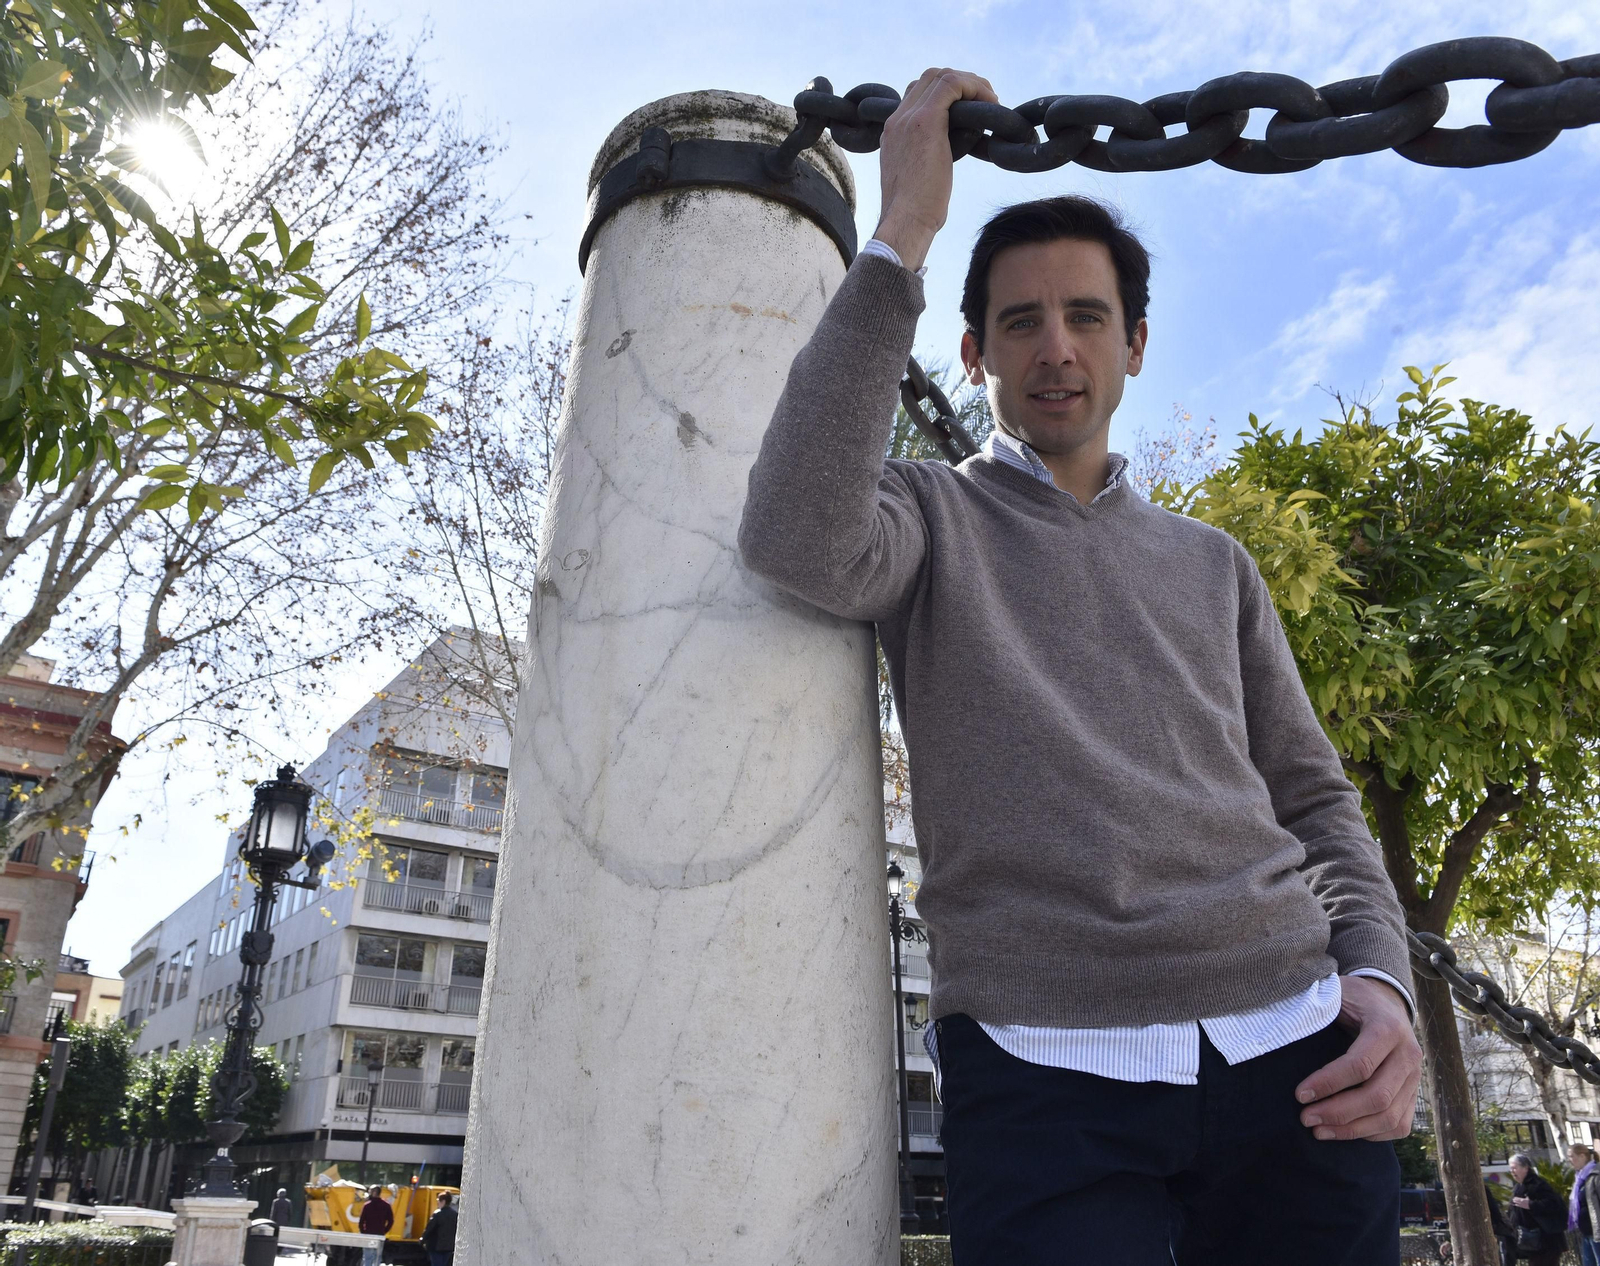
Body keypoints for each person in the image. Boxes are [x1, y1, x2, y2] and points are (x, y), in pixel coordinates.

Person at [738, 66, 1424, 1265]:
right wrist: (903, 230)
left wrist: (1380, 982)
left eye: (1086, 317)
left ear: (1136, 345)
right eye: (1019, 321)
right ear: (973, 353)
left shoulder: (1215, 565)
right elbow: (793, 533)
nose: (1055, 348)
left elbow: (1314, 801)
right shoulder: (923, 518)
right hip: (1041, 1065)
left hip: (1298, 1053)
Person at [1508, 1153, 1566, 1266]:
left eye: (1515, 1168)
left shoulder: (1538, 1184)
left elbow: (1555, 1205)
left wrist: (1531, 1204)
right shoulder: (1519, 1187)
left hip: (1547, 1242)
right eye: (1511, 1168)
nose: (1512, 1171)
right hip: (1533, 1244)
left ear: (1526, 1168)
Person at [1572, 1143, 1599, 1266]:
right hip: (1586, 1232)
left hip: (1597, 1232)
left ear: (1582, 1156)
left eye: (1572, 1156)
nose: (1569, 1160)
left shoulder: (1595, 1175)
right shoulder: (1580, 1178)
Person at [357, 1185, 393, 1266]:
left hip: (368, 1235)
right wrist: (384, 1231)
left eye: (370, 1191)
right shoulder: (386, 1205)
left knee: (367, 1257)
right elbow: (391, 1221)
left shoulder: (367, 1206)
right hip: (379, 1235)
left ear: (374, 1192)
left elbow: (361, 1222)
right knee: (377, 1257)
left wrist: (363, 1232)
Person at [419, 1191, 458, 1266]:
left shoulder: (437, 1214)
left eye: (438, 1201)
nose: (438, 1203)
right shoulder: (455, 1215)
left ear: (443, 1201)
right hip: (449, 1247)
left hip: (436, 1246)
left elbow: (429, 1229)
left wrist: (422, 1240)